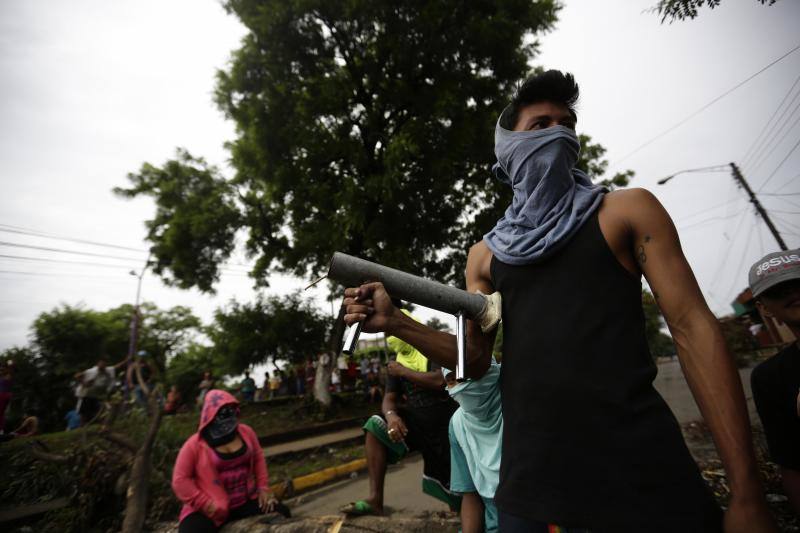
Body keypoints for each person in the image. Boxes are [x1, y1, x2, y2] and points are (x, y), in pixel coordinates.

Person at [343, 70, 775, 531]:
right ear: (507, 148)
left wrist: (746, 492)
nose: (559, 134)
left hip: (641, 464)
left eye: (566, 125)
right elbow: (473, 362)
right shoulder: (485, 256)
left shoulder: (626, 211)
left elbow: (693, 329)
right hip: (531, 481)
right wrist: (396, 322)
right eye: (540, 125)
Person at [340, 305, 459, 516]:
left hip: (447, 425)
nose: (391, 337)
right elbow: (389, 398)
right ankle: (375, 499)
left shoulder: (431, 350)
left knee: (454, 484)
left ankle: (460, 517)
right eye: (388, 333)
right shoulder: (396, 361)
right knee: (375, 425)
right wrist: (391, 415)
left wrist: (404, 371)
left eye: (393, 331)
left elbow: (440, 381)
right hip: (417, 424)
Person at [172, 389, 286, 532]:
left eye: (231, 410)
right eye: (223, 412)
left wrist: (263, 488)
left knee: (282, 512)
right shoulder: (195, 444)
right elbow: (180, 481)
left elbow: (258, 458)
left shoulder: (246, 432)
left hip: (245, 502)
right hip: (210, 510)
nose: (229, 416)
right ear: (210, 415)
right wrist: (206, 505)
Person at [749, 249, 800, 515]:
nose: (794, 293)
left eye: (798, 281)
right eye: (780, 290)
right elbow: (790, 461)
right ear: (764, 308)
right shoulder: (770, 378)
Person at [444, 360, 502, 533]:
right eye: (451, 379)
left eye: (466, 374)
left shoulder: (519, 403)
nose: (460, 386)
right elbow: (470, 495)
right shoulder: (458, 425)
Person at [75, 357, 118, 425]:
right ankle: (82, 427)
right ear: (98, 364)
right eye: (101, 363)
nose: (102, 365)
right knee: (83, 413)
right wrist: (84, 383)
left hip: (96, 396)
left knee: (98, 411)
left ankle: (101, 425)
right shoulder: (91, 371)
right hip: (86, 394)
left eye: (104, 364)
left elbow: (117, 366)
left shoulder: (107, 371)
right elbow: (77, 376)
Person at [0, 361, 13, 434]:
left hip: (3, 395)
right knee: (1, 414)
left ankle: (1, 431)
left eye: (2, 369)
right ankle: (1, 431)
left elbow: (9, 372)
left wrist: (10, 365)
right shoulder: (4, 376)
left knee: (1, 413)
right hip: (5, 395)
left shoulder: (7, 376)